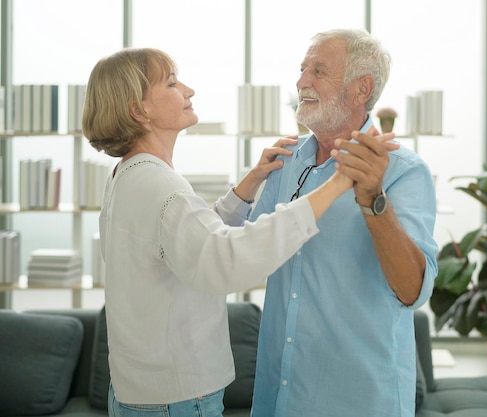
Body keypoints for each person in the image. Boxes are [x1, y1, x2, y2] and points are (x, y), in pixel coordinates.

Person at [81, 47, 397, 417]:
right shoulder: (160, 187)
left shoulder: (130, 175)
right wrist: (337, 183)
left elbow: (188, 244)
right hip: (176, 400)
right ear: (139, 110)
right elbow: (225, 260)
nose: (188, 90)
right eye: (171, 83)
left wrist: (249, 184)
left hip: (142, 394)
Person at [249, 29, 439, 417]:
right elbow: (245, 254)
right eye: (302, 69)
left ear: (361, 89)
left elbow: (413, 291)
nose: (302, 81)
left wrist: (373, 200)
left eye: (319, 71)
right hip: (277, 395)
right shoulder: (283, 163)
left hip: (358, 399)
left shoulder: (404, 171)